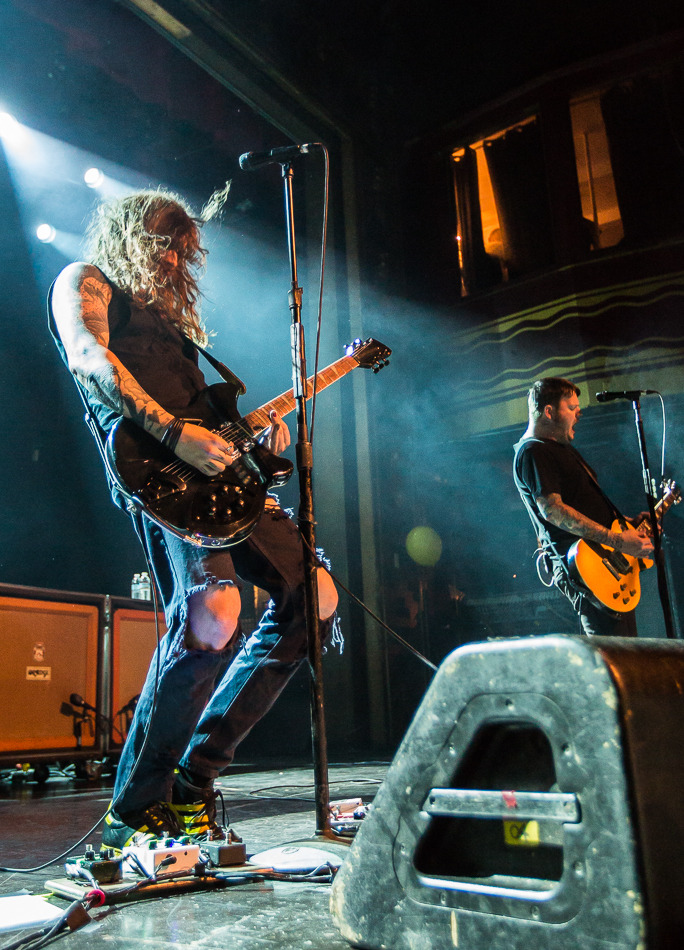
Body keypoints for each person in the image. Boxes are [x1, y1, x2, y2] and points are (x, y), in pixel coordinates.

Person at [49, 188, 339, 850]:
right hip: (159, 475)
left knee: (316, 600)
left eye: (187, 246)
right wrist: (176, 435)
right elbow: (88, 359)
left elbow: (215, 426)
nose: (178, 256)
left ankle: (196, 773)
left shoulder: (176, 329)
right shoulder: (87, 282)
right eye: (164, 241)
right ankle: (135, 806)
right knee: (213, 614)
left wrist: (257, 446)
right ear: (128, 234)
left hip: (224, 481)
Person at [513, 377, 654, 637]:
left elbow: (586, 505)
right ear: (549, 411)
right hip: (585, 568)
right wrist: (618, 541)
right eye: (572, 407)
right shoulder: (533, 451)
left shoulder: (562, 449)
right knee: (613, 660)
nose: (580, 412)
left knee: (628, 654)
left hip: (604, 562)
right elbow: (552, 510)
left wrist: (627, 524)